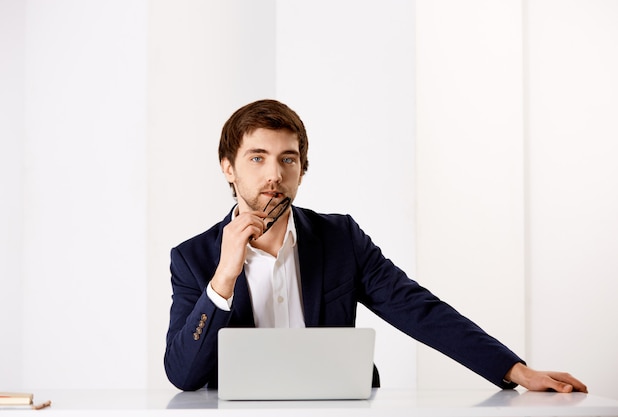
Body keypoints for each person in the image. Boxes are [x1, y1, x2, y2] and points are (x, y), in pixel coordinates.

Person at [164, 99, 587, 393]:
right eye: (257, 157)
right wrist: (223, 280)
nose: (274, 173)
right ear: (228, 169)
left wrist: (513, 369)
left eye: (287, 159)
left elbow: (417, 308)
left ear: (301, 169)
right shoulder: (193, 258)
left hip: (339, 410)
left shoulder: (340, 238)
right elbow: (183, 374)